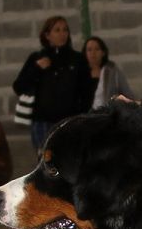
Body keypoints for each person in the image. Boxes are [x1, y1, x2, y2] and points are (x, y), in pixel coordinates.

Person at [12, 15, 92, 151]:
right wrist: (37, 69)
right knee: (47, 165)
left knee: (68, 163)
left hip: (70, 121)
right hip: (42, 122)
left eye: (65, 30)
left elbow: (87, 91)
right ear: (47, 35)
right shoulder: (37, 58)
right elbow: (19, 87)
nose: (62, 34)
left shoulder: (77, 59)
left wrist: (81, 117)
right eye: (57, 30)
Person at [82, 36, 134, 110]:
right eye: (89, 50)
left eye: (97, 49)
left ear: (103, 52)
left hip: (107, 115)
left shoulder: (112, 71)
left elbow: (127, 94)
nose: (93, 53)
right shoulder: (80, 73)